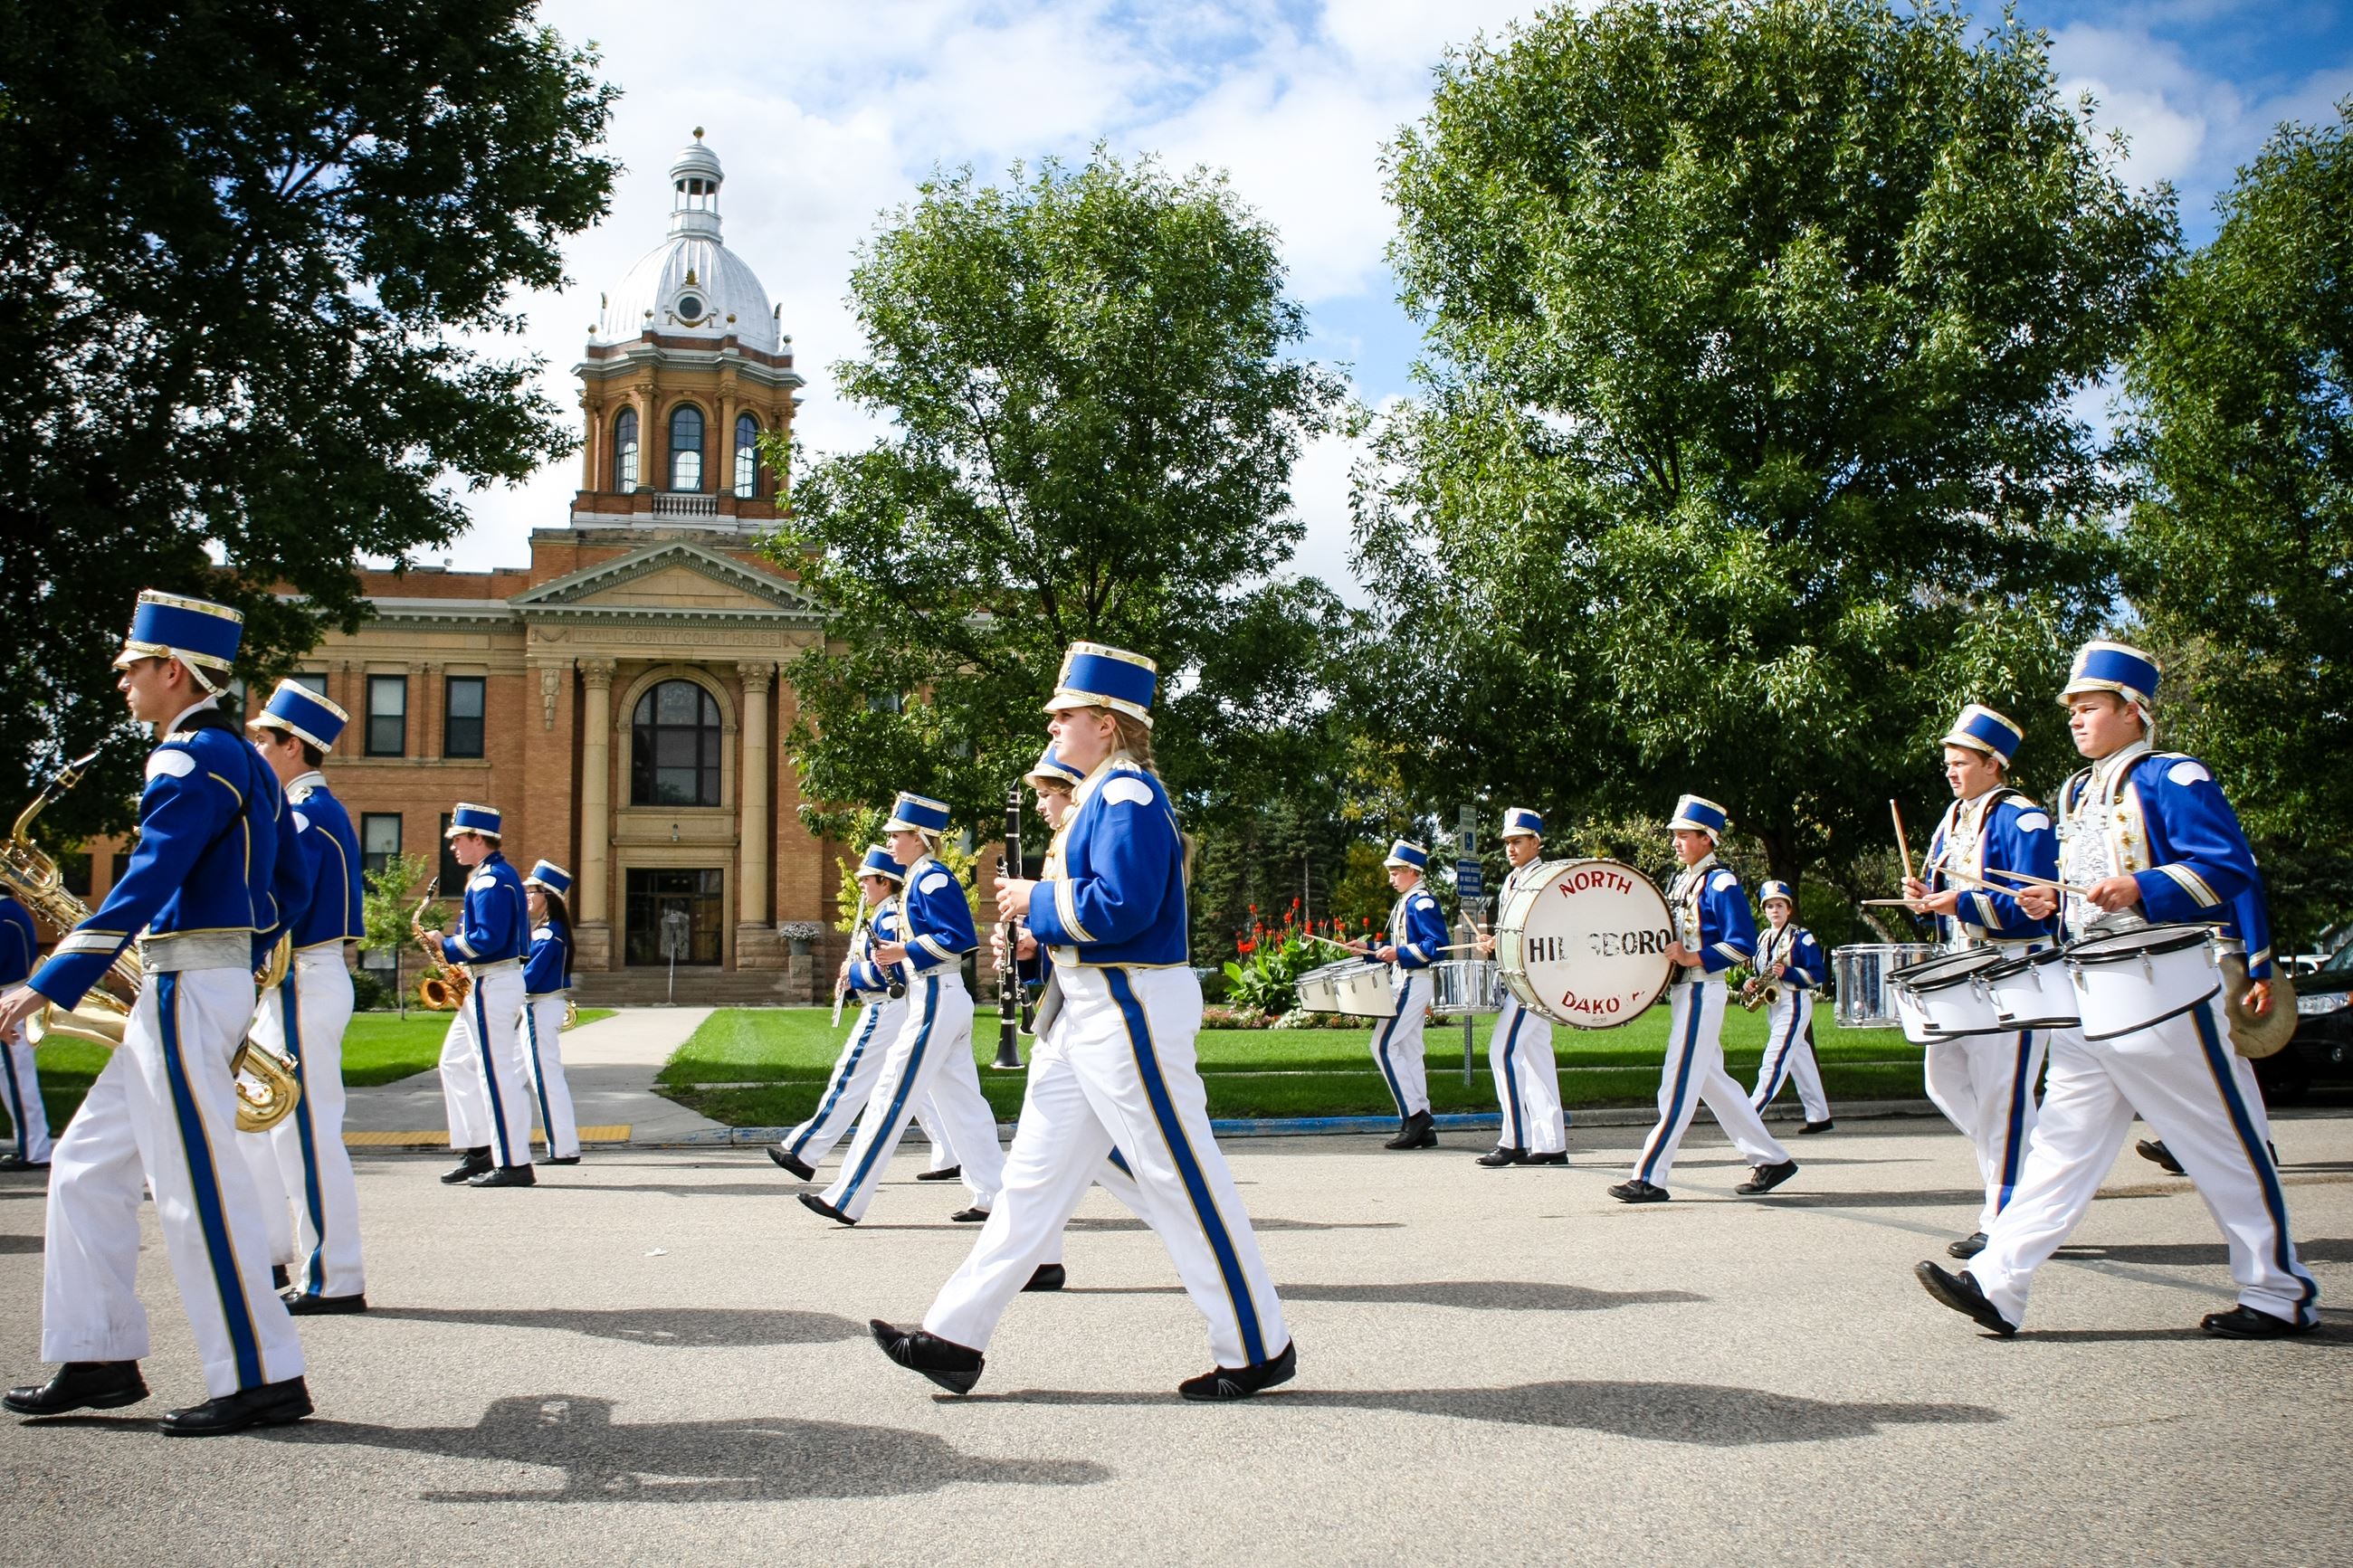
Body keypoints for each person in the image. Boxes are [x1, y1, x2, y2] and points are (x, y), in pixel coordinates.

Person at [872, 641, 1294, 1400]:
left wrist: (1035, 901)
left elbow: (1125, 907)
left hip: (1125, 1009)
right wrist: (1039, 935)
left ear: (1106, 724)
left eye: (1063, 715)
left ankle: (1258, 1346)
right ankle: (953, 1337)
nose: (1053, 729)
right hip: (1087, 1013)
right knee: (1030, 1184)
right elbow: (1097, 915)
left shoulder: (1124, 794)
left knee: (1180, 1179)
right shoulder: (1102, 796)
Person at [1916, 641, 2318, 1338]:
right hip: (2091, 996)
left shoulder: (2174, 777)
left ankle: (2279, 1291)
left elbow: (2229, 866)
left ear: (2134, 712)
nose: (2075, 718)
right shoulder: (2075, 790)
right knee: (2060, 1148)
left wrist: (2145, 885)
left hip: (2166, 993)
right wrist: (2050, 901)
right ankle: (1999, 1282)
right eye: (2072, 708)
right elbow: (2082, 889)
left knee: (2226, 1144)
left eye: (2089, 706)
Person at [0, 590, 310, 1434]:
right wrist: (246, 959)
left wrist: (55, 974)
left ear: (172, 672)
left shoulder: (183, 759)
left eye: (132, 670)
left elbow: (149, 877)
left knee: (194, 1187)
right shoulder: (243, 757)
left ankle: (261, 1374)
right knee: (86, 1165)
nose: (124, 685)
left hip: (182, 986)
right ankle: (97, 1353)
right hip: (198, 981)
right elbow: (291, 884)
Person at [799, 794, 1005, 1227]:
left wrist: (902, 950)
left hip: (935, 998)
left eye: (896, 835)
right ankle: (995, 1195)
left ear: (920, 838)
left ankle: (846, 1197)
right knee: (963, 1105)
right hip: (938, 997)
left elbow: (959, 938)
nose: (890, 842)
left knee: (891, 1094)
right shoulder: (920, 878)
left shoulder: (930, 878)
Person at [1901, 703, 2058, 1259]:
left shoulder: (2023, 818)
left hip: (2014, 972)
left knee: (2003, 1098)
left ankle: (2005, 1217)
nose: (1950, 770)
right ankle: (2037, 1176)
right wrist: (1923, 899)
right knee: (1943, 1081)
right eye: (1948, 762)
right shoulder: (1953, 817)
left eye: (1961, 761)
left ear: (1994, 764)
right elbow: (1940, 891)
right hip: (1964, 970)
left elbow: (2035, 906)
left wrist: (1962, 900)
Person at [996, 744, 1151, 1291]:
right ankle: (1034, 1260)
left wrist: (1037, 907)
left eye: (1046, 794)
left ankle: (1205, 1239)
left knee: (1140, 1164)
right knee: (1040, 1158)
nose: (1040, 805)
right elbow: (1067, 943)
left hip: (1106, 1012)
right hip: (1069, 1013)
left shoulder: (1114, 808)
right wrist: (1031, 950)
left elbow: (1118, 913)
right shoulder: (1062, 847)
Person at [243, 678, 368, 1311]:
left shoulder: (303, 814)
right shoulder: (311, 809)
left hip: (302, 978)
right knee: (264, 1128)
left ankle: (333, 1275)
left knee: (304, 1134)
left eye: (263, 738)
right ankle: (268, 1254)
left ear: (294, 746)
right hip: (298, 982)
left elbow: (277, 908)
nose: (255, 746)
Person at [1610, 794, 1797, 1203]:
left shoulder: (1721, 882)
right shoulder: (1685, 879)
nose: (1676, 842)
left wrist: (1694, 956)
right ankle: (1772, 1158)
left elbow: (1743, 943)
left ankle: (1650, 1176)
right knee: (1714, 1083)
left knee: (1676, 1085)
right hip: (1685, 990)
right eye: (1675, 835)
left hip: (1702, 988)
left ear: (1707, 839)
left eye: (1683, 835)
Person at [767, 846, 961, 1184]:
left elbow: (895, 973)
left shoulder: (888, 918)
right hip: (893, 1007)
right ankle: (949, 1152)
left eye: (867, 879)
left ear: (885, 883)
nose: (861, 886)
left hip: (886, 1008)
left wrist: (854, 974)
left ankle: (805, 1150)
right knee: (920, 1085)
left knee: (851, 1077)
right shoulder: (885, 914)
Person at [431, 803, 535, 1188]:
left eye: (459, 838)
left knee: (496, 1072)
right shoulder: (490, 876)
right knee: (455, 1062)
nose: (454, 846)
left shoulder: (491, 880)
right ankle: (479, 1150)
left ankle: (513, 1162)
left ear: (479, 839)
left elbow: (487, 941)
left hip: (494, 980)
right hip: (486, 982)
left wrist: (446, 945)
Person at [1472, 808, 1567, 1166]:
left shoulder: (1543, 878)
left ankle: (1515, 1139)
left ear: (1536, 842)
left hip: (1535, 981)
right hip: (1521, 977)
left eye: (1517, 841)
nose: (1510, 848)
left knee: (1503, 1051)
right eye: (1507, 842)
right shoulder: (1512, 881)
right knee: (1536, 1057)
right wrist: (1493, 941)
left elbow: (1547, 930)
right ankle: (1551, 1143)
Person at [1360, 841, 1448, 1151]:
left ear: (1413, 872)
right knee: (1409, 1050)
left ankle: (1414, 1116)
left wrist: (1397, 953)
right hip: (1407, 979)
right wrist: (1368, 950)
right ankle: (1422, 1124)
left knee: (1382, 1045)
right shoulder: (1408, 900)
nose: (1391, 878)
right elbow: (1396, 950)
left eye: (1395, 872)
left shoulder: (1421, 902)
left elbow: (1435, 946)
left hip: (1414, 980)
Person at [1744, 880, 1834, 1136]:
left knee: (1775, 1058)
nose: (1775, 910)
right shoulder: (1763, 938)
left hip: (1794, 1001)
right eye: (1770, 906)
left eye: (1780, 905)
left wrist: (1789, 972)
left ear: (1789, 908)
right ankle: (1819, 1116)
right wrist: (1751, 983)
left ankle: (1750, 1113)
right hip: (1774, 1004)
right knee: (1799, 1059)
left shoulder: (1801, 937)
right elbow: (1758, 971)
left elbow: (1818, 974)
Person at [520, 860, 582, 1166]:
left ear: (547, 896)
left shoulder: (548, 935)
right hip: (541, 1007)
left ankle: (562, 1147)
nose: (527, 897)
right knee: (526, 1077)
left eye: (531, 891)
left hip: (539, 1007)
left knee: (545, 1079)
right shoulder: (548, 931)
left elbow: (528, 978)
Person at [0, 892, 52, 1171]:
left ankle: (34, 1150)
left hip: (9, 999)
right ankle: (33, 1148)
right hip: (10, 997)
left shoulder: (5, 914)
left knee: (16, 1080)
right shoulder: (9, 911)